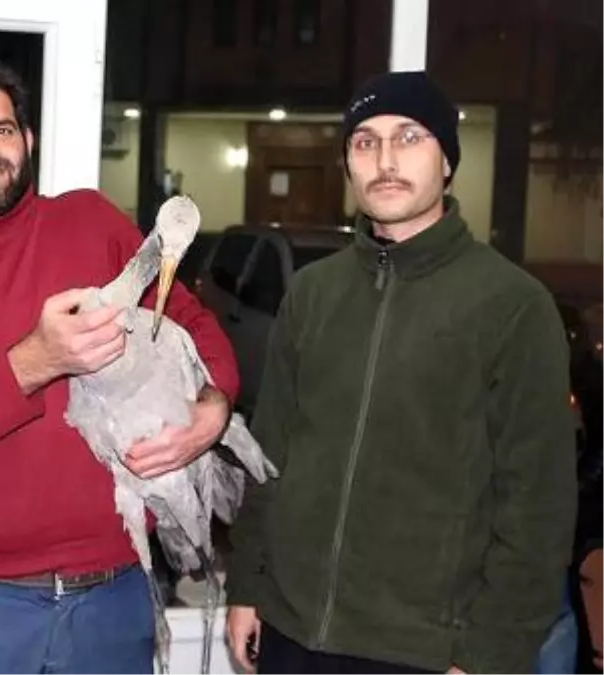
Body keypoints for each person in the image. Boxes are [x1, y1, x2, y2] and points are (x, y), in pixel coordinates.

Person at [0, 59, 239, 675]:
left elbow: (193, 329)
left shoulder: (91, 224)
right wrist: (35, 361)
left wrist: (212, 410)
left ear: (28, 142)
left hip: (115, 597)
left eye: (2, 130)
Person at [224, 70, 577, 675]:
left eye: (409, 137)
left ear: (447, 162)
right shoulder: (312, 292)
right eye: (365, 142)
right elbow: (269, 456)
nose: (385, 159)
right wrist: (248, 586)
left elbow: (537, 510)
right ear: (348, 165)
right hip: (291, 633)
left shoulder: (511, 305)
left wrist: (490, 654)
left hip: (424, 653)